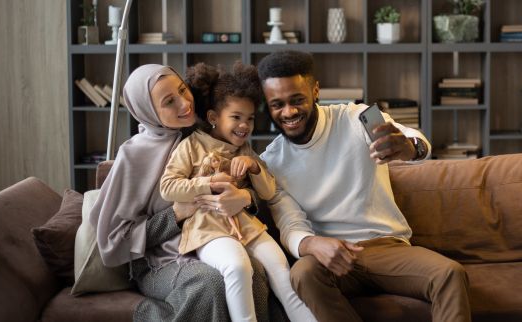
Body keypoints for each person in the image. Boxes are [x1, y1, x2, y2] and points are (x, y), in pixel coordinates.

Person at [257, 50, 472, 322]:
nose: (288, 112)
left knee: (450, 274)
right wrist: (312, 244)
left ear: (315, 91)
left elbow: (414, 139)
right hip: (333, 258)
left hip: (386, 246)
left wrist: (408, 147)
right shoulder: (272, 162)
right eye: (277, 104)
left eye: (297, 100)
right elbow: (290, 224)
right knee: (302, 273)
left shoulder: (356, 117)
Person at [89, 64, 269, 322]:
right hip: (159, 261)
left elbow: (251, 182)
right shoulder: (134, 156)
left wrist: (245, 198)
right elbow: (115, 239)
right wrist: (175, 215)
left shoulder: (205, 132)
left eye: (183, 90)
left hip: (211, 239)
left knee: (255, 273)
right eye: (169, 101)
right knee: (209, 283)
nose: (185, 104)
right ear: (148, 111)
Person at [159, 62, 316, 322]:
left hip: (247, 227)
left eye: (250, 118)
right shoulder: (191, 146)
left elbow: (268, 192)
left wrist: (255, 168)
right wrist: (207, 184)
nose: (245, 126)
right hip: (207, 230)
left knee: (280, 267)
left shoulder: (245, 151)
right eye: (236, 117)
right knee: (237, 266)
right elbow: (168, 187)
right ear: (213, 118)